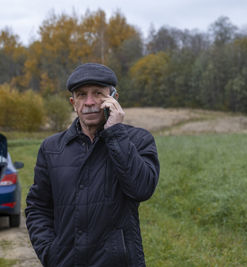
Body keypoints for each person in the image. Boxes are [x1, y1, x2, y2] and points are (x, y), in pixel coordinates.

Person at [25, 63, 160, 267]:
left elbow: (142, 189)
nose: (89, 102)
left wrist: (115, 133)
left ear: (113, 98)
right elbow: (38, 207)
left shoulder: (138, 140)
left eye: (97, 93)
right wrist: (50, 253)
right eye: (81, 94)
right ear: (73, 102)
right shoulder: (52, 148)